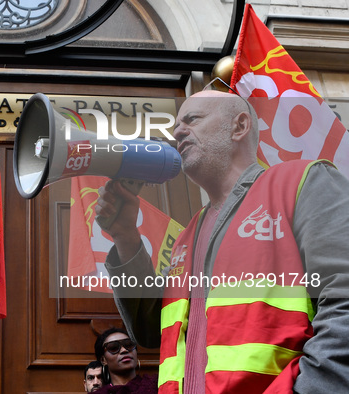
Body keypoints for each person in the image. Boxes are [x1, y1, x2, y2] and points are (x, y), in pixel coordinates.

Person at [96, 88, 349, 392]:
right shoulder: (187, 235)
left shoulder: (304, 182)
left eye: (192, 119)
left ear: (239, 126)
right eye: (177, 125)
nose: (177, 131)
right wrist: (125, 235)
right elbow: (150, 331)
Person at [92, 328, 157, 393]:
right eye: (113, 347)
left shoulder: (157, 385)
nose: (124, 350)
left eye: (129, 345)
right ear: (103, 360)